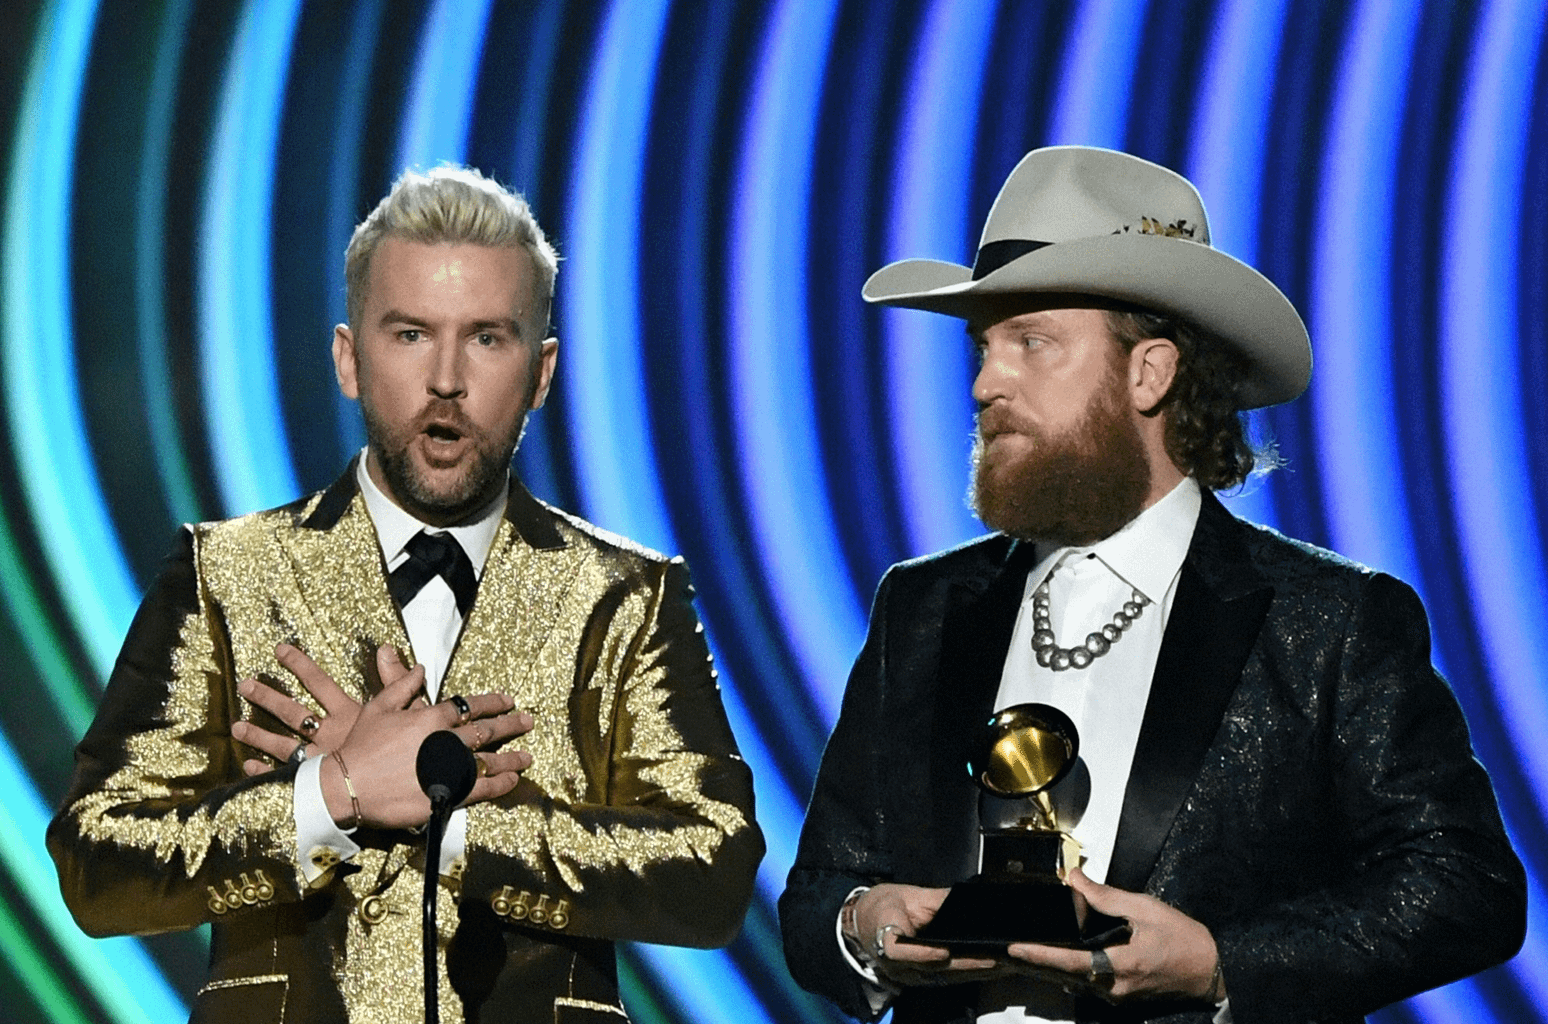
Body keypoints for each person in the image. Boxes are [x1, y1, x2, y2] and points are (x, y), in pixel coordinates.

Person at [779, 146, 1525, 1024]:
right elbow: (817, 892)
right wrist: (863, 925)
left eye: (1032, 343)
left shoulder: (1328, 623)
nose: (985, 383)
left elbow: (1465, 885)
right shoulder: (924, 608)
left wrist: (1218, 963)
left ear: (1151, 373)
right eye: (983, 348)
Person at [48, 166, 763, 1024]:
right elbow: (98, 861)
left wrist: (448, 816)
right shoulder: (222, 574)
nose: (448, 379)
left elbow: (712, 870)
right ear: (350, 360)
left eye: (488, 338)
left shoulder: (626, 595)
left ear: (541, 374)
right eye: (412, 334)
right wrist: (336, 793)